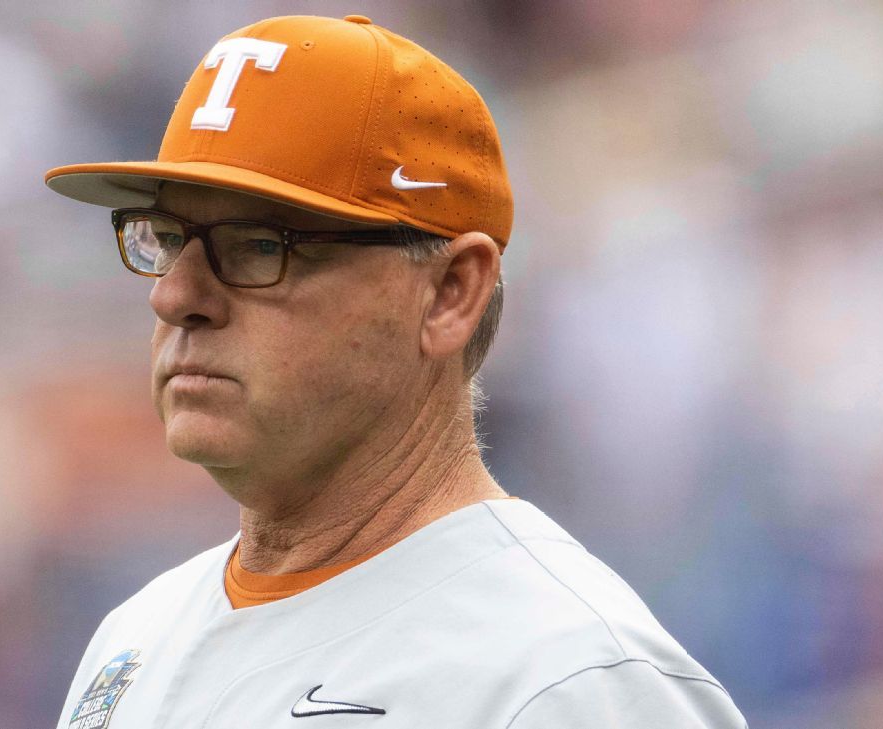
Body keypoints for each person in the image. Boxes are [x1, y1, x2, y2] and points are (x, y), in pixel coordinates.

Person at [44, 14, 747, 729]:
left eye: (258, 244)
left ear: (450, 294)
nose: (174, 296)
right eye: (168, 239)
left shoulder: (569, 678)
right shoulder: (134, 638)